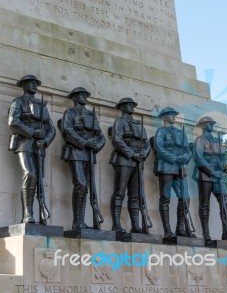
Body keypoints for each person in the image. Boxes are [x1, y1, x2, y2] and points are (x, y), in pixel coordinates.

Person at [8, 75, 56, 224]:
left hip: (39, 146)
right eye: (31, 83)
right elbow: (13, 122)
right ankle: (27, 214)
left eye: (36, 83)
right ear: (24, 86)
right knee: (30, 174)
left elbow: (51, 128)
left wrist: (46, 140)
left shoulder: (42, 105)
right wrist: (32, 132)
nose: (35, 86)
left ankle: (41, 213)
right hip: (24, 143)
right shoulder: (18, 102)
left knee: (39, 180)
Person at [60, 87, 106, 230]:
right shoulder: (70, 113)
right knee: (81, 184)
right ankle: (77, 221)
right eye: (82, 95)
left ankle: (80, 221)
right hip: (75, 152)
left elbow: (101, 136)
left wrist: (96, 145)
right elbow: (67, 131)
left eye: (86, 95)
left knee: (86, 188)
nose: (85, 97)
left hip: (89, 154)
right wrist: (84, 142)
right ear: (74, 98)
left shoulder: (91, 115)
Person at [194, 116, 227, 241]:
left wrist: (223, 167)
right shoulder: (200, 140)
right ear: (203, 125)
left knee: (226, 200)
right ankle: (206, 234)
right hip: (206, 175)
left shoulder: (217, 141)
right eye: (209, 123)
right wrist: (213, 171)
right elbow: (199, 158)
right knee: (204, 204)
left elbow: (224, 158)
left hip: (218, 176)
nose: (212, 125)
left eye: (212, 123)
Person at [109, 97, 151, 233]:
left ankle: (136, 226)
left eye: (133, 105)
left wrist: (143, 154)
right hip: (124, 159)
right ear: (122, 107)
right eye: (129, 105)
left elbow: (147, 143)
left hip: (138, 161)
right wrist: (132, 154)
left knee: (135, 195)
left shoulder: (139, 124)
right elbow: (117, 140)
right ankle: (116, 225)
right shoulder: (119, 122)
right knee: (119, 193)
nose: (132, 107)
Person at [154, 107, 195, 238]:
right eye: (170, 114)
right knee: (165, 198)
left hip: (179, 167)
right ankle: (167, 230)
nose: (173, 116)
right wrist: (174, 158)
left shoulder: (180, 132)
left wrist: (185, 157)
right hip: (166, 166)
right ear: (164, 117)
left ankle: (180, 228)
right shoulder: (161, 131)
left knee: (185, 197)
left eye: (173, 114)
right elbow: (159, 148)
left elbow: (188, 150)